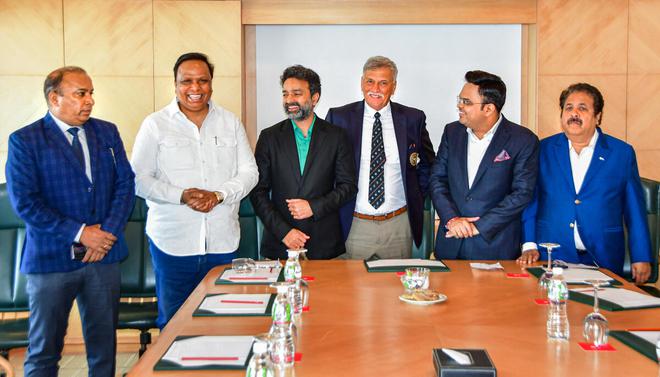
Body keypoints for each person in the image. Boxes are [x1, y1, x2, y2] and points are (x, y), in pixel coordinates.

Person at [5, 66, 135, 376]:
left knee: (104, 351)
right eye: (81, 94)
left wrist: (105, 234)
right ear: (54, 98)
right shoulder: (26, 140)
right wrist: (80, 233)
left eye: (91, 93)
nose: (89, 100)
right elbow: (26, 202)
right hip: (51, 260)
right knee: (44, 352)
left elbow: (125, 185)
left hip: (103, 257)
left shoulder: (107, 132)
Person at [131, 52, 258, 328]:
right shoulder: (155, 124)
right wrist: (182, 195)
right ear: (175, 84)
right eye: (186, 81)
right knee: (175, 324)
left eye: (202, 81)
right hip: (173, 243)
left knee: (224, 321)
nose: (195, 88)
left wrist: (218, 195)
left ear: (211, 84)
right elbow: (138, 179)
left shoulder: (230, 122)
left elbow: (250, 173)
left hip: (223, 242)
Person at [518, 83, 652, 283]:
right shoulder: (543, 149)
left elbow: (634, 208)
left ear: (598, 116)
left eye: (582, 108)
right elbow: (530, 200)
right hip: (551, 255)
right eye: (569, 108)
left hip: (602, 256)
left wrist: (641, 255)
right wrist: (529, 244)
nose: (574, 113)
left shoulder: (621, 153)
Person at [326, 56, 435, 259]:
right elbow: (326, 167)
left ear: (393, 87)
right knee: (349, 288)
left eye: (383, 82)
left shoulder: (413, 118)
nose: (375, 88)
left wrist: (416, 192)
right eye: (370, 81)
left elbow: (429, 164)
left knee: (396, 288)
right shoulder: (339, 117)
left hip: (398, 225)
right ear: (361, 83)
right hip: (353, 224)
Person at [429, 70, 539, 260]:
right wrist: (453, 219)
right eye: (460, 99)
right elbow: (437, 179)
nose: (459, 106)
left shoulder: (523, 140)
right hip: (450, 242)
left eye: (466, 102)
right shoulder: (452, 132)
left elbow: (521, 193)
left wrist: (477, 227)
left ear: (489, 109)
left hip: (494, 246)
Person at [251, 65, 357, 260]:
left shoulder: (337, 136)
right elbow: (258, 192)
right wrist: (284, 232)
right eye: (285, 94)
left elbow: (348, 187)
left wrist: (313, 207)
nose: (289, 100)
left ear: (315, 98)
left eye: (297, 93)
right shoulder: (269, 137)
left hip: (325, 245)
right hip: (279, 244)